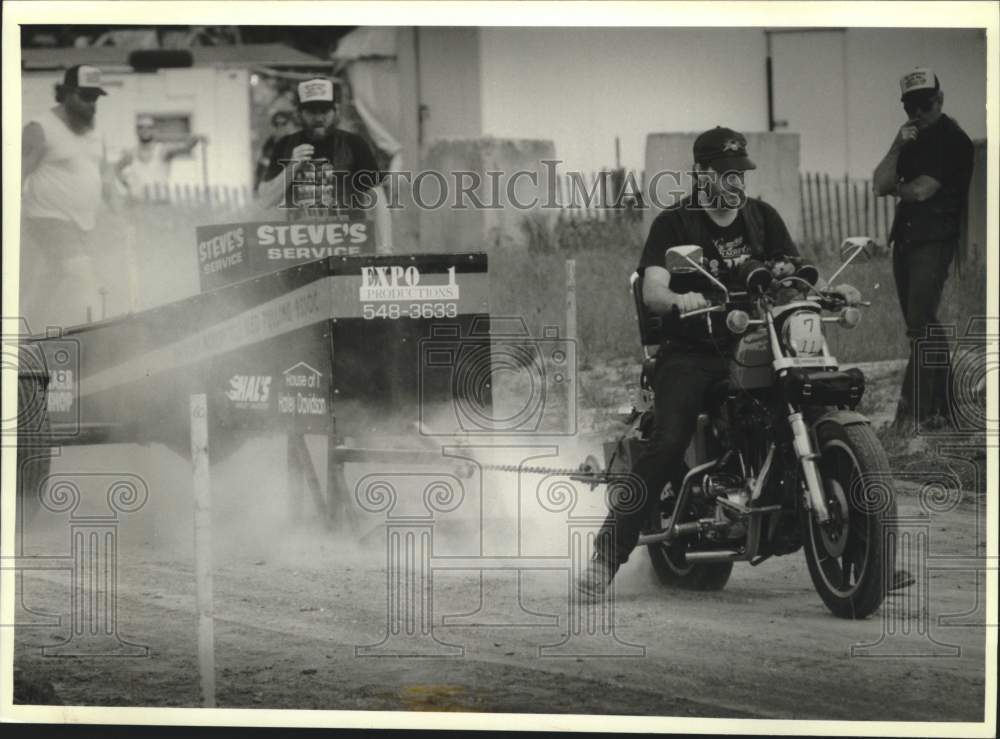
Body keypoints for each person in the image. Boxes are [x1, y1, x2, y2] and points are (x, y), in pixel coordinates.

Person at [577, 127, 870, 600]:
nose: (737, 183)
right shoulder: (675, 225)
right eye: (726, 174)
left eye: (741, 173)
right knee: (668, 441)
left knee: (809, 405)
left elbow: (791, 274)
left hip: (759, 342)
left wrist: (830, 292)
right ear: (701, 173)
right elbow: (652, 288)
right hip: (692, 353)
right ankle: (605, 556)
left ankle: (868, 554)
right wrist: (679, 297)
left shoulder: (761, 218)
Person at [873, 68, 974, 432]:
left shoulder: (954, 140)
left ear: (940, 100)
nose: (918, 114)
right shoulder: (910, 140)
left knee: (920, 324)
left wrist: (899, 188)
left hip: (934, 239)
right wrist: (897, 145)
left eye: (925, 105)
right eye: (911, 107)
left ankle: (911, 415)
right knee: (923, 323)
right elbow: (878, 183)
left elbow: (922, 190)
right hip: (907, 239)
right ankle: (940, 411)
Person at [21, 64, 111, 331]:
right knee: (83, 274)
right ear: (67, 94)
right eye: (85, 97)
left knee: (47, 284)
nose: (91, 105)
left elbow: (104, 177)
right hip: (48, 219)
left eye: (95, 98)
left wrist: (120, 214)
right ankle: (99, 335)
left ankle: (23, 334)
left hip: (84, 222)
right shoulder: (40, 128)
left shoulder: (95, 131)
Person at [257, 77, 393, 252]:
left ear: (335, 111)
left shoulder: (354, 144)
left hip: (350, 246)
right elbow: (266, 200)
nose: (319, 117)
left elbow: (378, 200)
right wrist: (291, 167)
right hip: (301, 248)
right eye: (312, 111)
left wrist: (386, 247)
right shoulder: (285, 145)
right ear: (299, 113)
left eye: (325, 110)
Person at [115, 114, 206, 202]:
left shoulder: (163, 151)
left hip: (160, 202)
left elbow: (186, 146)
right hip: (138, 203)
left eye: (149, 127)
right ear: (136, 131)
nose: (144, 130)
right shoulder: (131, 153)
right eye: (141, 127)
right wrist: (125, 184)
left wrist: (196, 139)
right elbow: (116, 169)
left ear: (154, 130)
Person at [253, 109, 299, 193]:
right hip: (274, 184)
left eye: (284, 123)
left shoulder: (296, 140)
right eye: (276, 124)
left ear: (290, 124)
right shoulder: (270, 143)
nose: (280, 127)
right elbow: (263, 165)